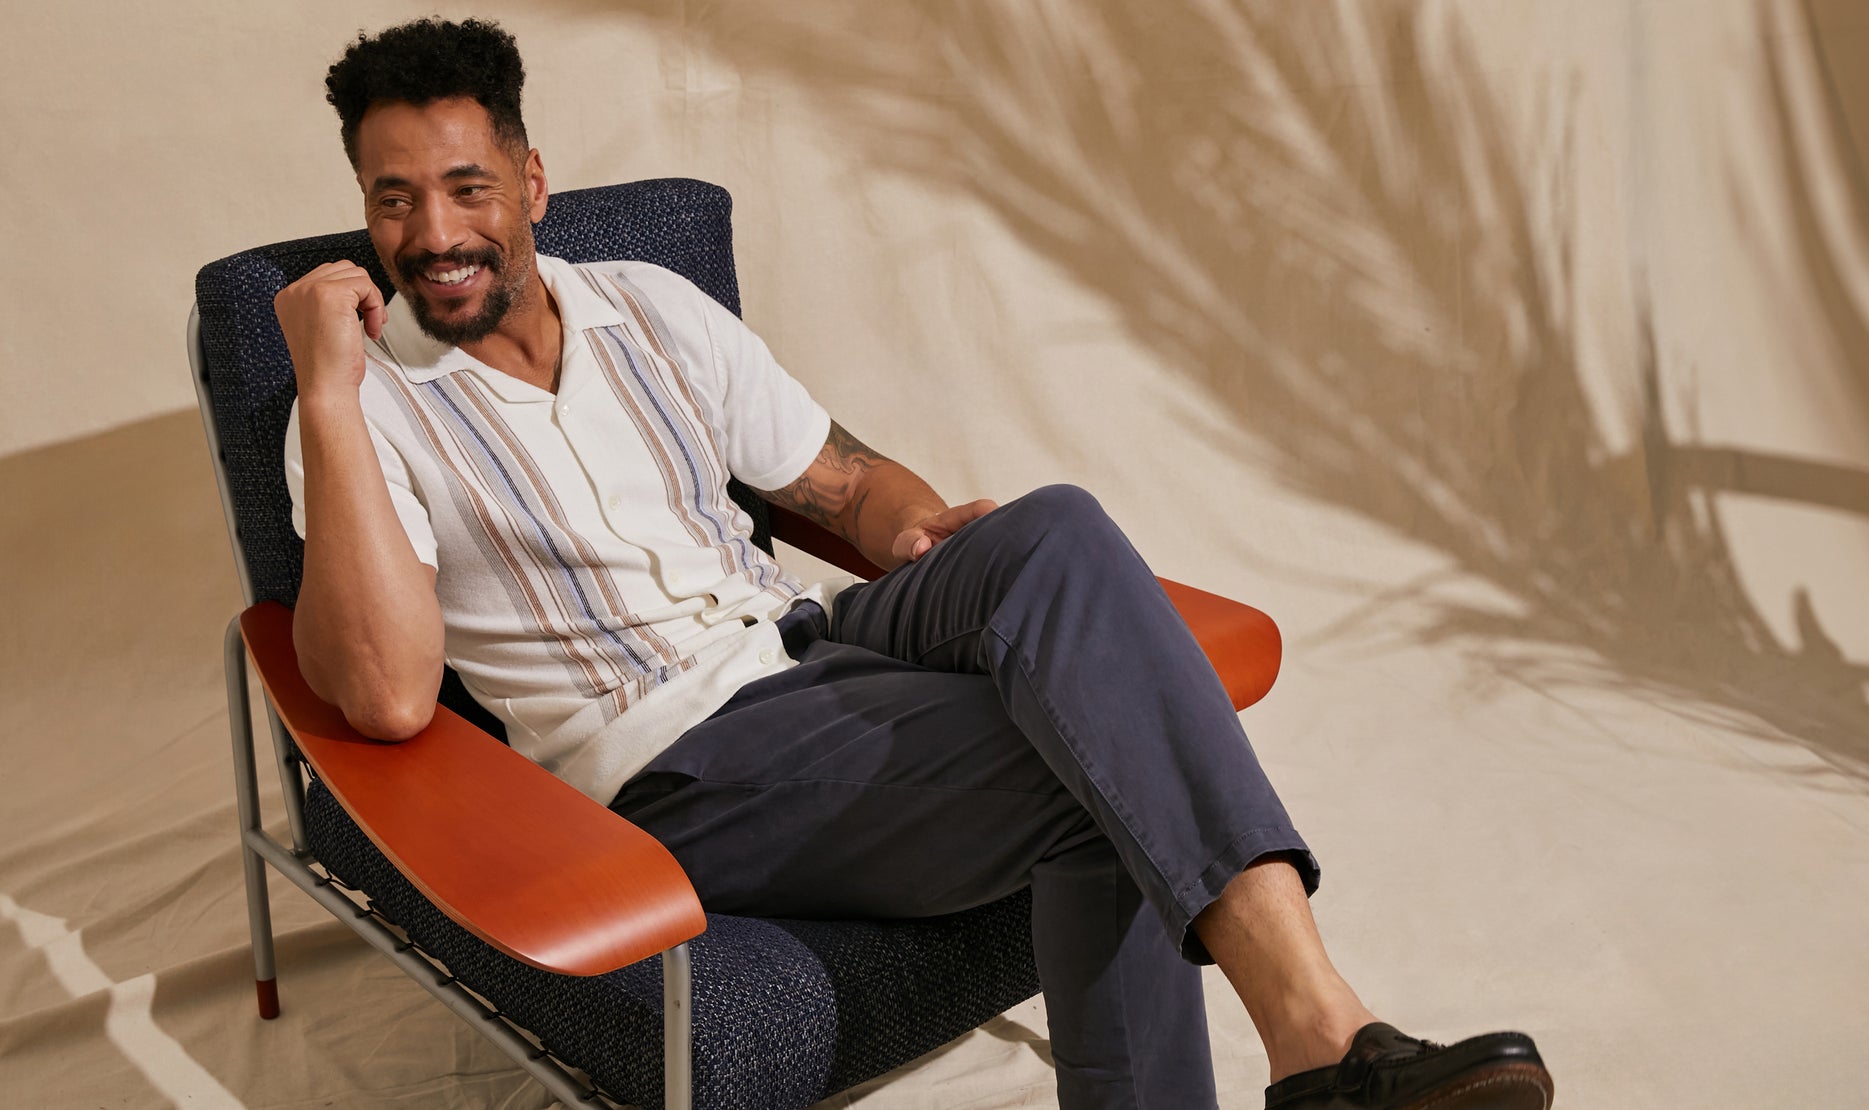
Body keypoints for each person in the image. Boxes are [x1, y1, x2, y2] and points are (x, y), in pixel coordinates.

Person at [277, 17, 1553, 1110]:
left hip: (820, 641)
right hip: (684, 760)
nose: (433, 232)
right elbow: (385, 693)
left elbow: (841, 480)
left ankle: (1318, 1045)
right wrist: (327, 395)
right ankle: (1323, 1043)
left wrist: (920, 531)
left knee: (1052, 528)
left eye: (464, 187)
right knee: (1094, 764)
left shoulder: (646, 306)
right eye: (393, 199)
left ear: (533, 182)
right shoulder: (359, 407)